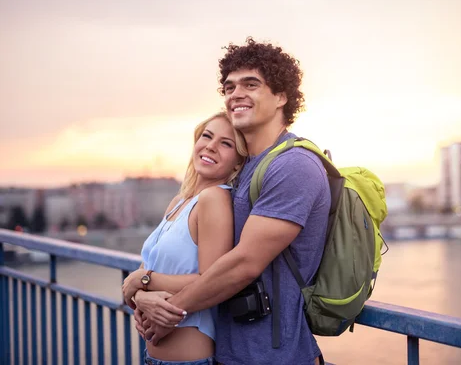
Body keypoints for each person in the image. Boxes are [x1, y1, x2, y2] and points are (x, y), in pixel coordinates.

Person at [135, 37, 331, 365]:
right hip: (230, 351)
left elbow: (243, 265)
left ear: (282, 96)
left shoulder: (293, 164)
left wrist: (165, 312)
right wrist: (145, 293)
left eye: (250, 84)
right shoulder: (246, 168)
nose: (235, 94)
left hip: (275, 357)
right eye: (228, 87)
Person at [121, 111, 247, 365]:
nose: (211, 146)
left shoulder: (214, 199)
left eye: (226, 143)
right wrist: (141, 296)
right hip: (154, 358)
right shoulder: (180, 202)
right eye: (207, 136)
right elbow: (152, 267)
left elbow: (211, 280)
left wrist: (141, 280)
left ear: (237, 162)